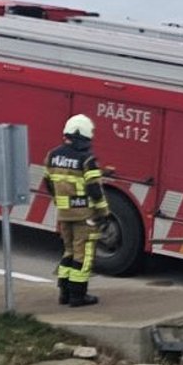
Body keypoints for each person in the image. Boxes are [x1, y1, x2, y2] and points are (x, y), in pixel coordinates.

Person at [44, 113, 108, 307]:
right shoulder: (87, 159)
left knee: (68, 251)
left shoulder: (53, 155)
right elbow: (95, 190)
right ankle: (78, 296)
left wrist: (59, 201)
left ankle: (64, 293)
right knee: (84, 254)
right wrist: (104, 212)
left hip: (64, 213)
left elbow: (47, 181)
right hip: (84, 215)